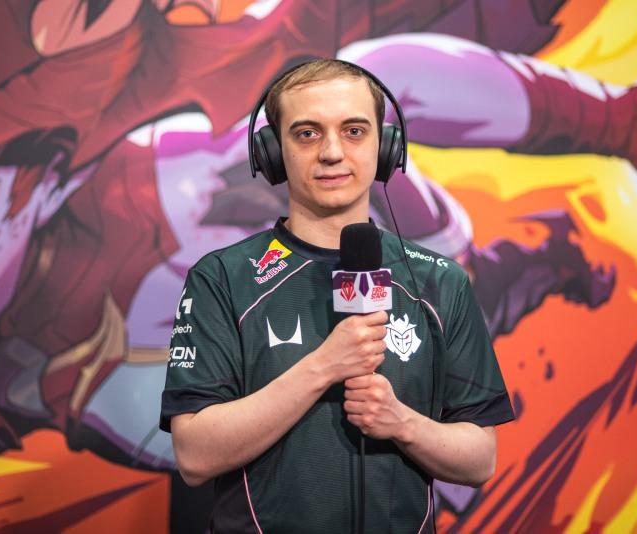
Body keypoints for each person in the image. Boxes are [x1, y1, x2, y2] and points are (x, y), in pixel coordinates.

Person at [159, 58, 515, 533]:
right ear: (272, 152)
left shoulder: (439, 282)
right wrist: (325, 366)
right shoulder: (223, 277)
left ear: (385, 147)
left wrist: (401, 422)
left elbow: (479, 460)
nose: (331, 152)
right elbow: (195, 456)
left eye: (354, 131)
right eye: (307, 133)